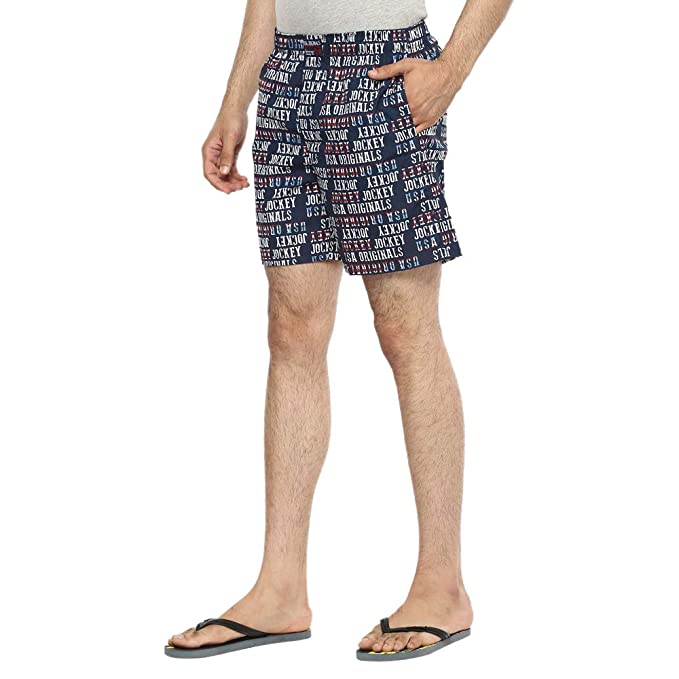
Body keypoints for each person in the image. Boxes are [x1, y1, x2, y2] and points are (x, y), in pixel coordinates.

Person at [166, 0, 511, 662]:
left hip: (384, 76)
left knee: (405, 329)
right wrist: (235, 101)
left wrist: (450, 71)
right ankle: (279, 590)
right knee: (292, 329)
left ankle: (441, 587)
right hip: (288, 80)